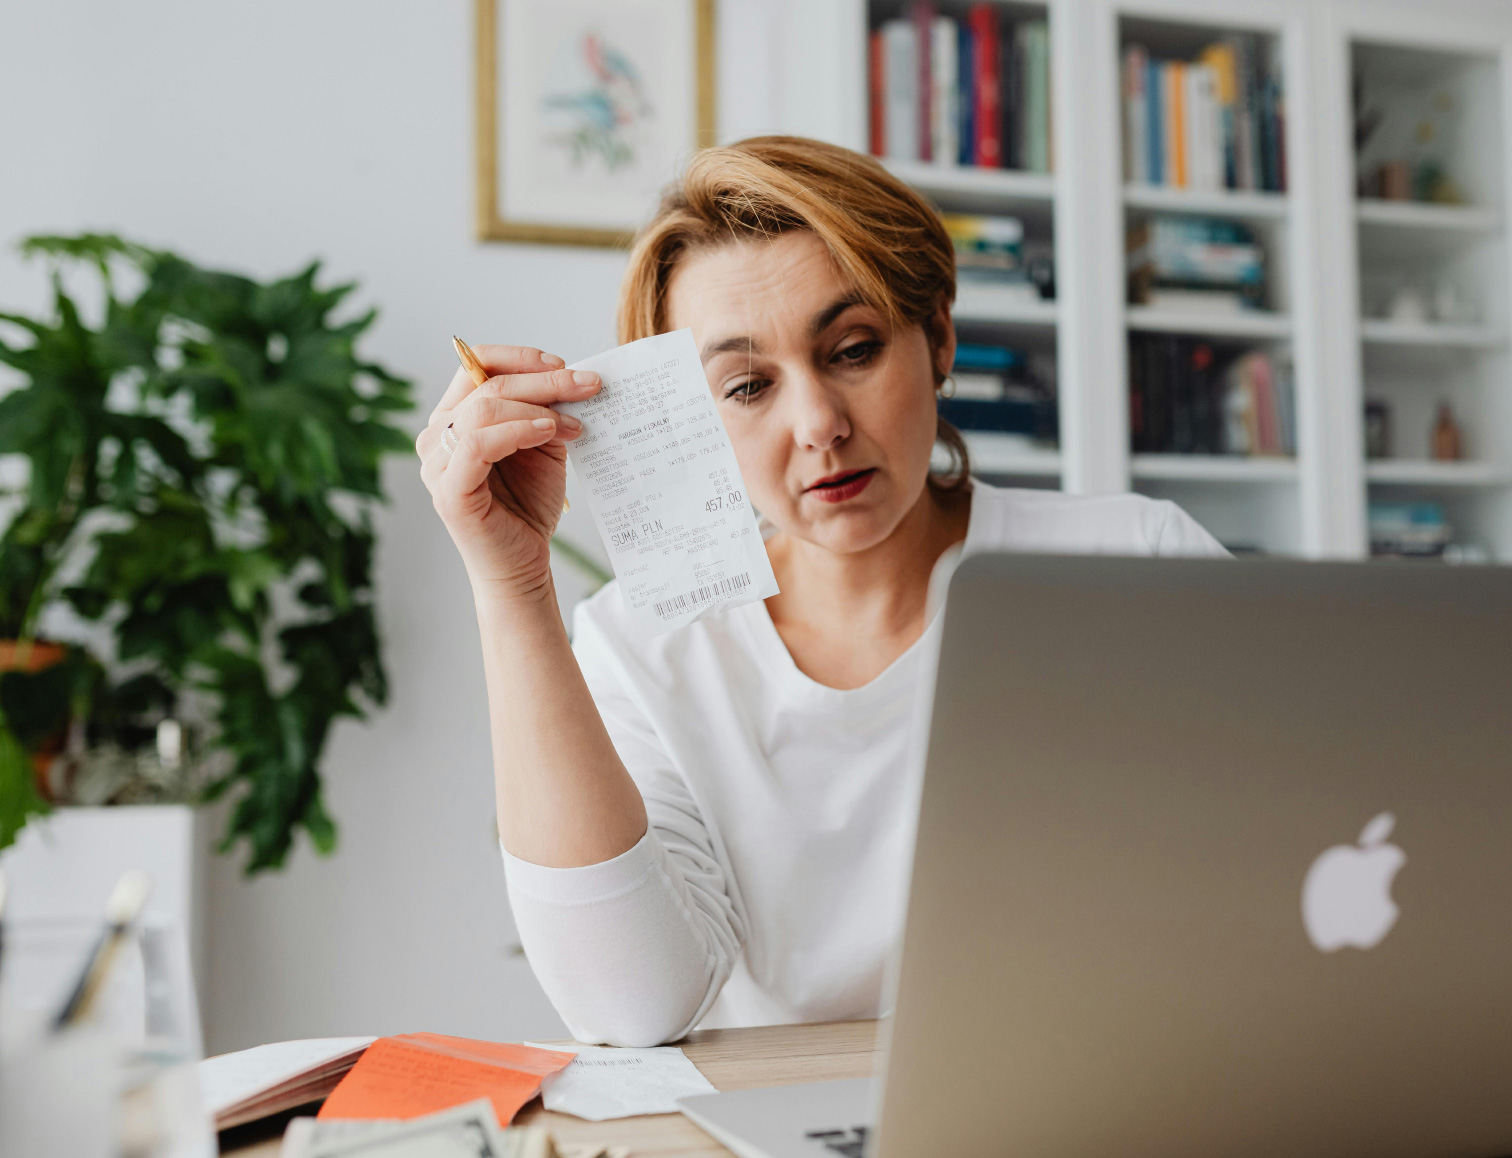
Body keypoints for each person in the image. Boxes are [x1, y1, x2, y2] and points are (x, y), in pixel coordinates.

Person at [416, 136, 1228, 1046]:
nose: (819, 426)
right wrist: (512, 585)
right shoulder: (646, 650)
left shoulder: (1139, 564)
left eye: (853, 349)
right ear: (690, 415)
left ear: (940, 338)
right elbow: (631, 1005)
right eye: (749, 385)